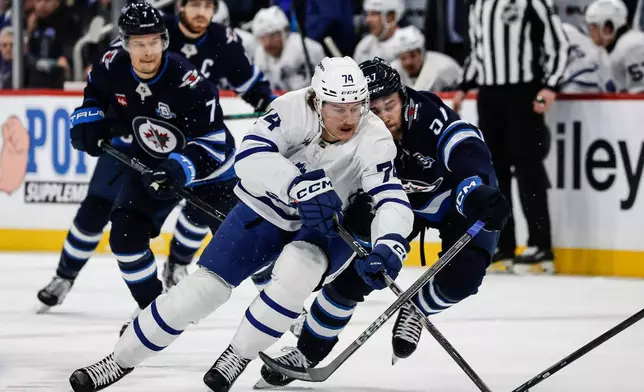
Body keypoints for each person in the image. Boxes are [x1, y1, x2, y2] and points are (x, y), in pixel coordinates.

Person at [68, 56, 414, 392]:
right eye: (339, 108)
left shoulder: (375, 136)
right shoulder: (291, 108)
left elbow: (389, 197)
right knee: (203, 290)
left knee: (297, 271)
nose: (350, 118)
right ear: (316, 99)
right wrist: (298, 186)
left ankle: (238, 355)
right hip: (263, 209)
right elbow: (249, 156)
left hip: (325, 224)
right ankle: (118, 360)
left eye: (357, 106)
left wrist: (389, 243)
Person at [255, 58, 510, 388]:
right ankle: (306, 351)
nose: (385, 116)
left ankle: (416, 309)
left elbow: (466, 146)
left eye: (390, 104)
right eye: (373, 109)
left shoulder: (427, 115)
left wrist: (475, 192)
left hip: (456, 202)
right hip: (396, 206)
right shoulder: (351, 129)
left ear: (403, 97)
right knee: (354, 277)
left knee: (464, 278)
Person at [62, 2, 238, 336]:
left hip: (211, 173)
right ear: (124, 44)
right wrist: (90, 120)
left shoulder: (188, 82)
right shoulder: (110, 64)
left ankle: (292, 318)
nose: (147, 51)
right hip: (154, 167)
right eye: (139, 43)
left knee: (247, 251)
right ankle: (154, 311)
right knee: (125, 238)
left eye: (154, 41)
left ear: (165, 41)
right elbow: (94, 96)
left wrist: (177, 168)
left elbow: (213, 143)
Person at [453, 0, 568, 274]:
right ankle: (503, 245)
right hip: (489, 95)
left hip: (523, 92)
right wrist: (464, 85)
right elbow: (479, 52)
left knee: (528, 168)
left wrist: (551, 85)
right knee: (494, 171)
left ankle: (540, 246)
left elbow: (559, 45)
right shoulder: (478, 4)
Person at [251, 5, 325, 91]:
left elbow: (304, 94)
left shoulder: (303, 49)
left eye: (273, 35)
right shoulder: (259, 53)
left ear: (285, 31)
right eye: (263, 37)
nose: (268, 43)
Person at [585, 0, 644, 93]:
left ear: (607, 28)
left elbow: (640, 95)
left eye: (593, 27)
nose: (590, 32)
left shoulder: (633, 45)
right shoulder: (603, 52)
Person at [390, 25, 462, 92]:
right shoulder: (392, 73)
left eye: (413, 56)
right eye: (403, 58)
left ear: (422, 52)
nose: (408, 62)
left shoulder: (445, 68)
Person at [560, 22, 615, 92]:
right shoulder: (566, 30)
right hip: (568, 86)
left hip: (592, 89)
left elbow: (608, 80)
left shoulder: (601, 50)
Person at [353, 0, 405, 64]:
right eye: (367, 14)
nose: (368, 20)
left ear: (391, 16)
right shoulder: (364, 45)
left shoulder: (409, 44)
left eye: (374, 14)